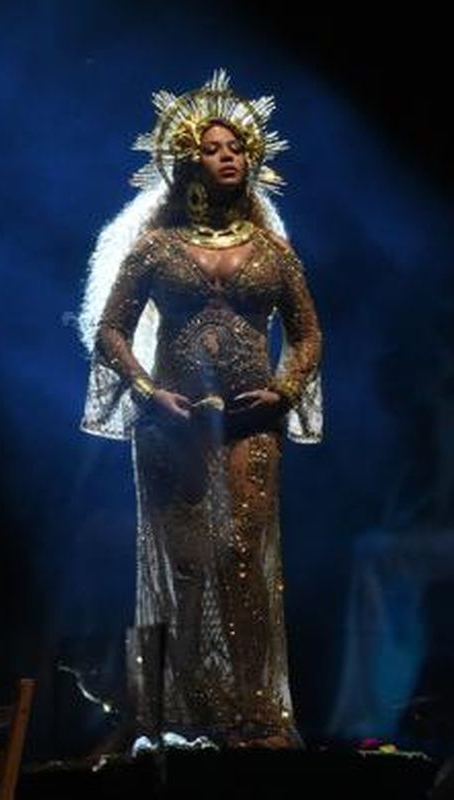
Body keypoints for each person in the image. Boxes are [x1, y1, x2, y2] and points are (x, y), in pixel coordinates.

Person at [78, 69, 323, 751]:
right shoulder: (156, 247)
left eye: (237, 148)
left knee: (243, 558)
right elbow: (111, 330)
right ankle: (175, 716)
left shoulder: (274, 251)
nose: (228, 156)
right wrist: (149, 390)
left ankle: (252, 716)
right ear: (190, 160)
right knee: (184, 566)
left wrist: (284, 389)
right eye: (214, 147)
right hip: (172, 423)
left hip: (250, 424)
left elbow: (308, 332)